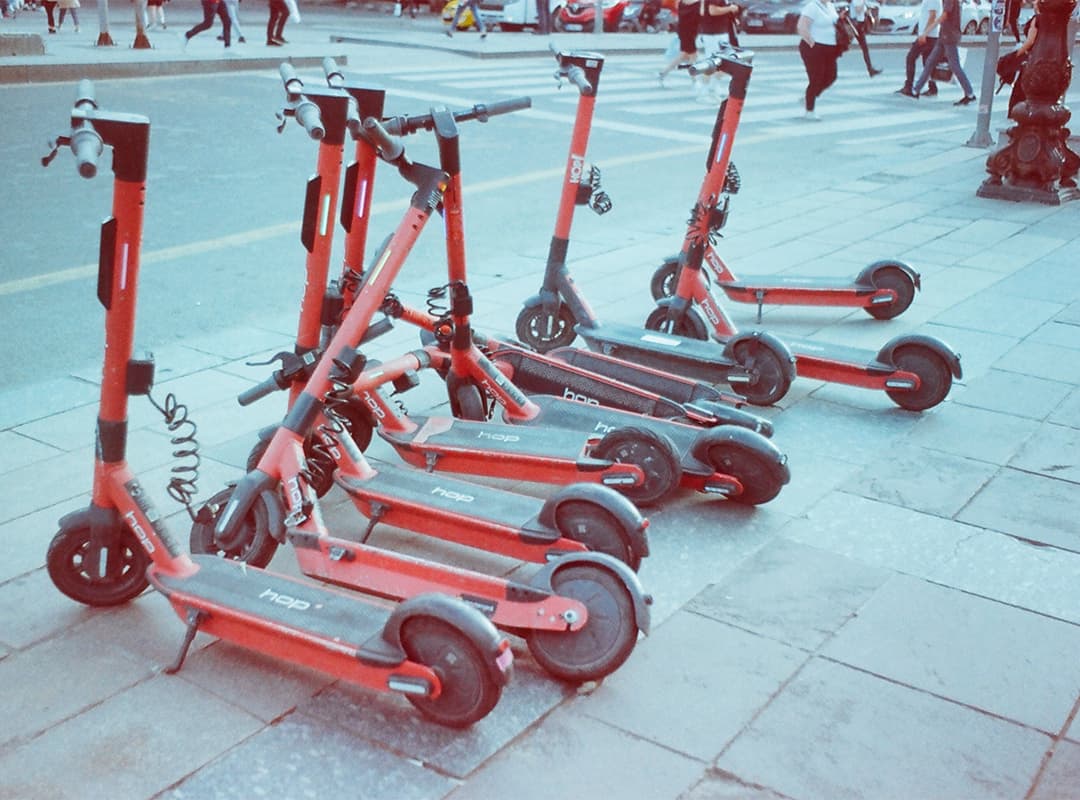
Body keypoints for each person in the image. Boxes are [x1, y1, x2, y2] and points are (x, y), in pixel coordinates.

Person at [909, 0, 975, 104]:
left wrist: (926, 32)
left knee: (955, 66)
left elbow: (944, 16)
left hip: (949, 37)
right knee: (930, 62)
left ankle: (970, 93)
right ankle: (916, 90)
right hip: (943, 36)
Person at [796, 0, 842, 120]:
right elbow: (801, 27)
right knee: (816, 78)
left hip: (830, 47)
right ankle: (809, 111)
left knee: (831, 76)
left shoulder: (831, 6)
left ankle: (808, 97)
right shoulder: (812, 6)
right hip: (814, 47)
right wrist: (813, 44)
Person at [696, 0, 740, 100]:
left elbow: (704, 11)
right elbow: (712, 11)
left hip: (720, 32)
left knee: (722, 63)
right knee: (712, 63)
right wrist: (730, 8)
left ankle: (713, 87)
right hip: (713, 34)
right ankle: (704, 91)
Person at [896, 0, 940, 97]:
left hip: (928, 36)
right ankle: (932, 88)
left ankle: (908, 86)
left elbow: (932, 16)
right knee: (927, 62)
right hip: (930, 35)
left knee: (911, 58)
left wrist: (924, 33)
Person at [658, 0, 701, 87]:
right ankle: (695, 80)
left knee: (684, 55)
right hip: (690, 31)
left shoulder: (682, 2)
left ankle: (664, 73)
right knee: (692, 55)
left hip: (684, 30)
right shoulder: (698, 3)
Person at [849, 0, 882, 76]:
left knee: (865, 48)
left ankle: (870, 69)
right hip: (856, 25)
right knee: (863, 48)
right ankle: (870, 69)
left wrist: (869, 10)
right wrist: (863, 3)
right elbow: (858, 10)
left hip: (859, 25)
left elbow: (863, 11)